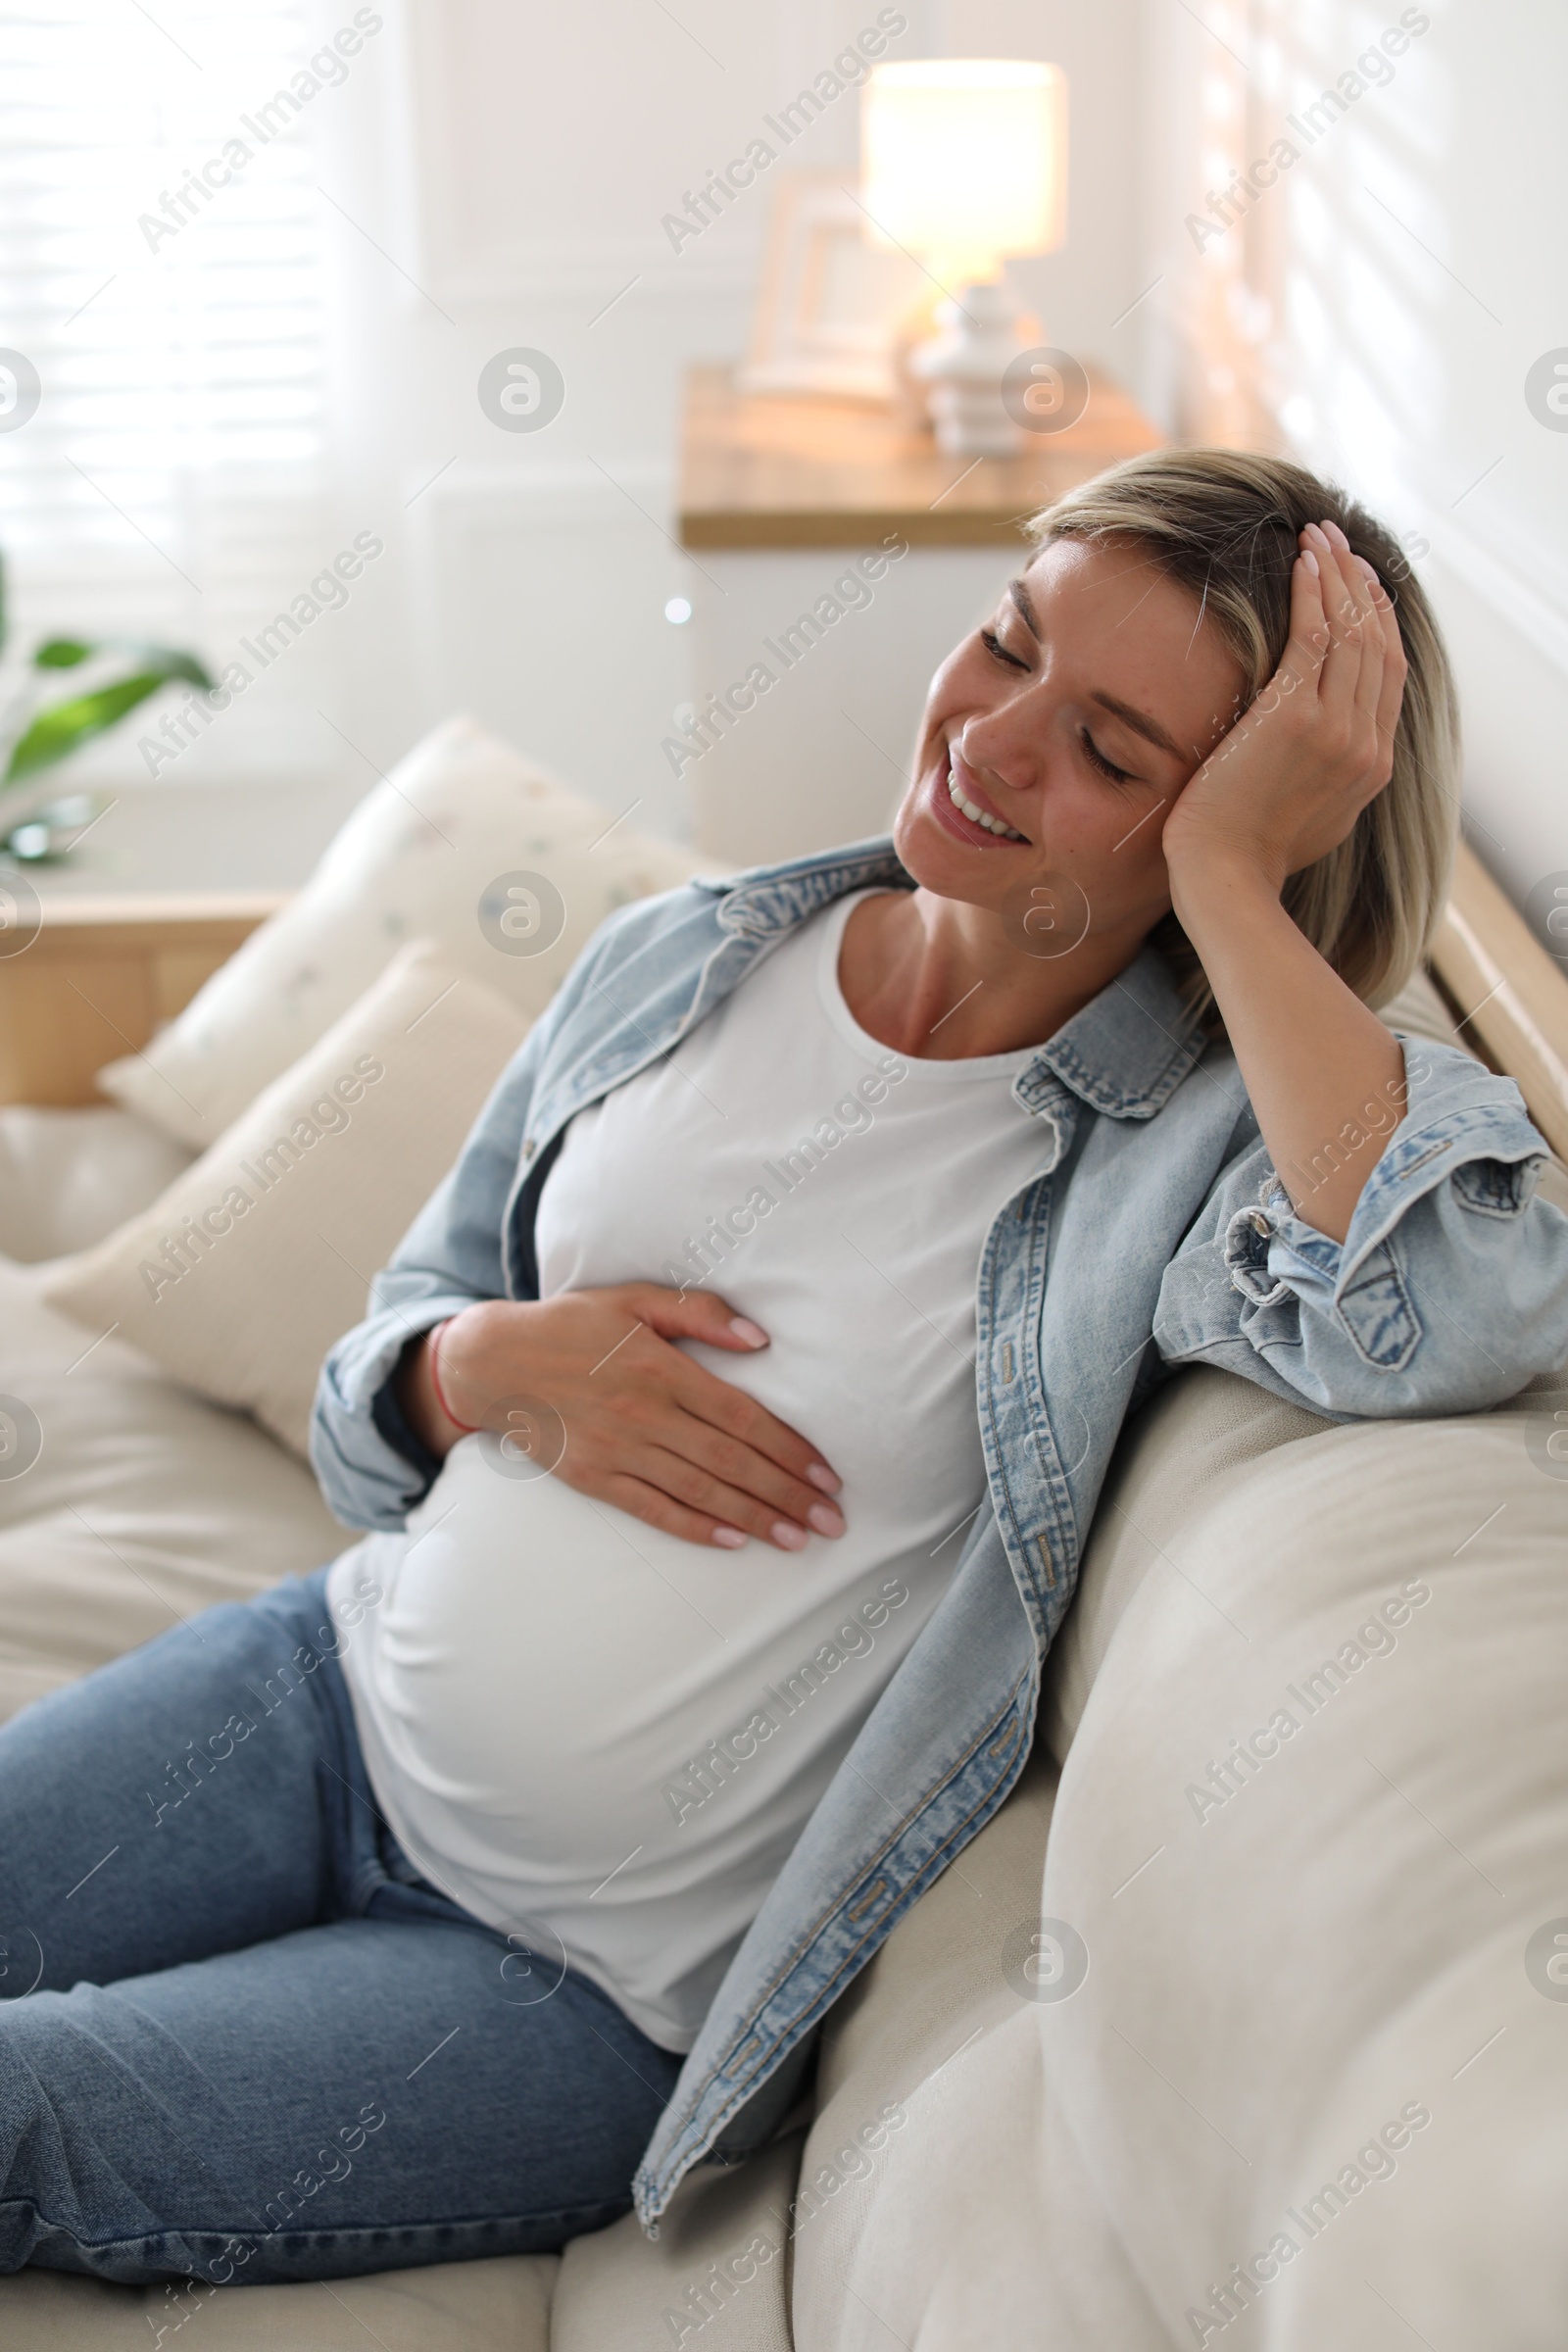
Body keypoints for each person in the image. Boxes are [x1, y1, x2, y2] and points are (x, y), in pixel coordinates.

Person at [3, 451, 1565, 2288]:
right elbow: (394, 1350)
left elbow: (1461, 1300)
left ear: (1253, 828)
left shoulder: (1183, 1159)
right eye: (1007, 642)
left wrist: (1233, 880)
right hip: (313, 1699)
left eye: (1117, 756)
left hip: (574, 1992)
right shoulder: (688, 953)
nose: (990, 743)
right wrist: (476, 1367)